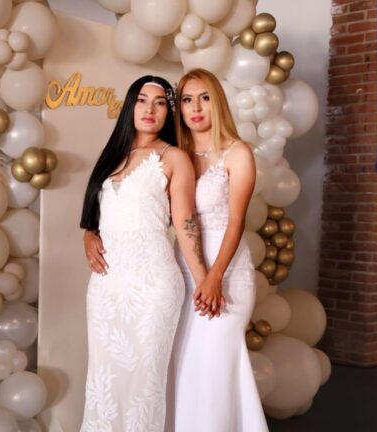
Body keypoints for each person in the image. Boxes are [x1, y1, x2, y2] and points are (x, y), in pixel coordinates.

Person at [79, 75, 207, 431]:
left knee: (144, 384)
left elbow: (186, 222)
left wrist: (204, 280)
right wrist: (89, 235)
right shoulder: (112, 156)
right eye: (142, 100)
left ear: (168, 113)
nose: (150, 109)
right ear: (130, 107)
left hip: (153, 285)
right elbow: (99, 213)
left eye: (160, 103)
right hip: (106, 286)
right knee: (103, 380)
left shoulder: (174, 157)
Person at [167, 69, 268, 432]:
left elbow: (236, 221)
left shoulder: (237, 152)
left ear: (218, 102)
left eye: (205, 98)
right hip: (182, 272)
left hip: (228, 274)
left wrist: (214, 277)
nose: (196, 108)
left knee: (215, 368)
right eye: (187, 100)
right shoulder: (174, 155)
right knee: (184, 368)